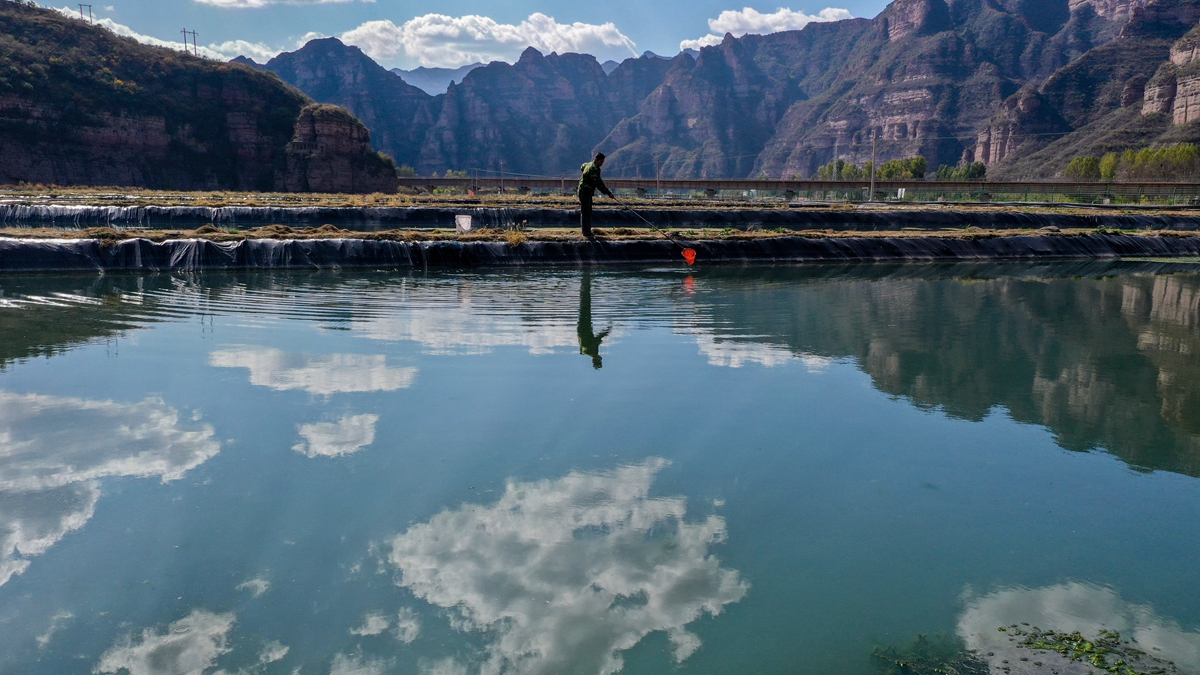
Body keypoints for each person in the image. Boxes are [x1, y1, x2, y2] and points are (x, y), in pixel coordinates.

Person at [577, 271, 611, 369]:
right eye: (600, 360)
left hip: (584, 327)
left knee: (585, 307)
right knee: (585, 306)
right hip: (585, 327)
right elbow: (597, 340)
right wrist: (606, 332)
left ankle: (585, 280)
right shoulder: (590, 351)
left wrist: (606, 332)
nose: (600, 359)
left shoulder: (588, 351)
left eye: (598, 360)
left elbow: (596, 340)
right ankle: (585, 281)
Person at [578, 152, 614, 238]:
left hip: (584, 191)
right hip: (585, 191)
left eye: (603, 162)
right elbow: (598, 183)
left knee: (587, 211)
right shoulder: (594, 169)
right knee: (586, 212)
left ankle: (587, 230)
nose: (602, 163)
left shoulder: (588, 164)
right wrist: (608, 193)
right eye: (601, 161)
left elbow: (582, 166)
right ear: (596, 160)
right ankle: (586, 232)